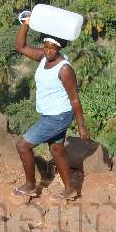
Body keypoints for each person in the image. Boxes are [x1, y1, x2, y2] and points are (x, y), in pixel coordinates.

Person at [12, 15, 90, 201]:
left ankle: (31, 185)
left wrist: (81, 126)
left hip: (58, 116)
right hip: (51, 114)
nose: (47, 51)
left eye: (52, 48)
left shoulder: (64, 69)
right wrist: (26, 24)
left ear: (59, 48)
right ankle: (70, 189)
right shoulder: (43, 57)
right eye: (45, 46)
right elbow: (20, 46)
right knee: (56, 150)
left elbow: (75, 99)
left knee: (22, 146)